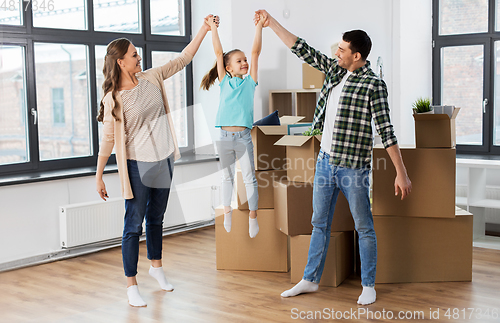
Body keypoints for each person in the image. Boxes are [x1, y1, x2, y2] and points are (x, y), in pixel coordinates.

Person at [255, 10, 412, 305]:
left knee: (364, 226)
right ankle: (310, 279)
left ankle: (368, 285)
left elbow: (386, 131)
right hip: (325, 162)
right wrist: (270, 22)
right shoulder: (336, 72)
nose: (336, 53)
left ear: (357, 56)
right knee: (319, 223)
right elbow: (302, 49)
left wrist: (400, 172)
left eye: (342, 50)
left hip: (354, 169)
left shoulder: (373, 85)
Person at [95, 15, 217, 307]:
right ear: (121, 62)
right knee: (133, 225)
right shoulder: (114, 99)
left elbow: (184, 58)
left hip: (163, 160)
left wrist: (204, 27)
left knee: (157, 219)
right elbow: (109, 141)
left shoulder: (152, 77)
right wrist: (98, 176)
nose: (139, 57)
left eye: (138, 53)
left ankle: (157, 268)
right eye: (134, 54)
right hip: (138, 166)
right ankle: (131, 285)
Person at [200, 14, 265, 238]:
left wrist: (259, 27)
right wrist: (212, 28)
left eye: (244, 60)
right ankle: (227, 212)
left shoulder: (250, 82)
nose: (245, 62)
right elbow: (219, 52)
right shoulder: (225, 81)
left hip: (244, 137)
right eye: (239, 60)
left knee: (249, 177)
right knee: (226, 177)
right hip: (225, 137)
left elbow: (256, 52)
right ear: (228, 68)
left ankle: (253, 217)